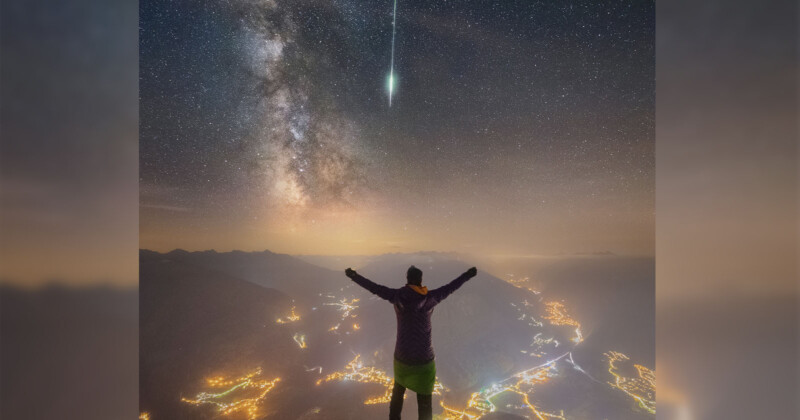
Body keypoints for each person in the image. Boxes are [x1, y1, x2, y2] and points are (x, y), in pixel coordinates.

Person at [344, 264, 478, 420]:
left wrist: (354, 276)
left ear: (407, 279)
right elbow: (451, 287)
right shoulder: (430, 298)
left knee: (397, 393)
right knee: (425, 400)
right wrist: (467, 275)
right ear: (421, 280)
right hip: (424, 359)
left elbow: (374, 288)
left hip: (402, 356)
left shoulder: (397, 296)